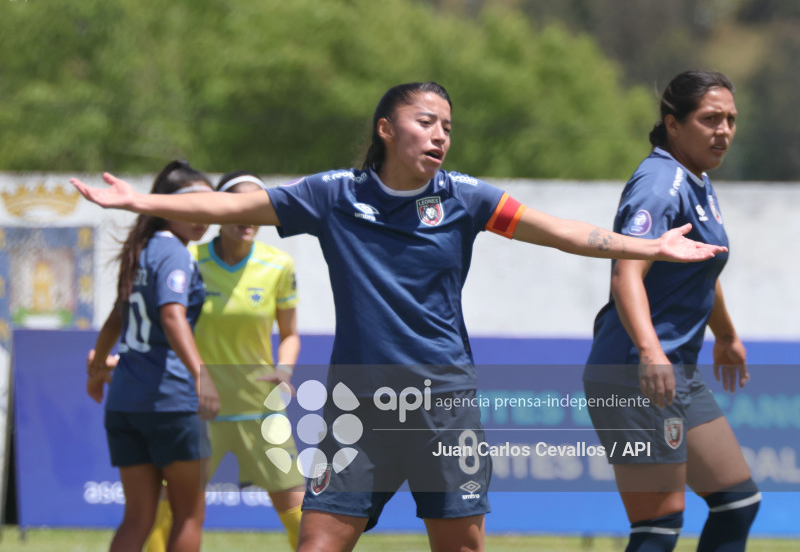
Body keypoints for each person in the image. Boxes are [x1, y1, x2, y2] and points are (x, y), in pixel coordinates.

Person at [72, 81, 727, 552]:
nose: (440, 133)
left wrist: (650, 246)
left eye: (447, 125)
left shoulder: (466, 199)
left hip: (444, 402)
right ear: (386, 128)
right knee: (318, 541)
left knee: (461, 545)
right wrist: (143, 203)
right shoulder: (334, 196)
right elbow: (240, 210)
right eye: (425, 120)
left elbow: (561, 231)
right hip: (360, 408)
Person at [583, 70, 760, 551]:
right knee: (659, 526)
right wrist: (649, 352)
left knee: (738, 500)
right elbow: (626, 273)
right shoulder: (660, 182)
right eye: (709, 119)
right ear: (673, 125)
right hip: (636, 371)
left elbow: (704, 268)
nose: (723, 130)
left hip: (675, 369)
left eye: (730, 119)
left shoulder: (696, 180)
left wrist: (725, 336)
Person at [144, 171, 305, 552]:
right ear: (216, 210)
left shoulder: (278, 265)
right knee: (166, 520)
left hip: (262, 410)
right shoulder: (187, 258)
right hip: (199, 408)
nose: (246, 217)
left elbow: (291, 334)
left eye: (256, 208)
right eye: (236, 206)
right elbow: (161, 323)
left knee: (302, 519)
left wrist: (284, 369)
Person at [85, 160, 220, 552]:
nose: (201, 215)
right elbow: (171, 315)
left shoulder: (139, 251)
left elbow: (115, 318)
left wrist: (96, 369)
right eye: (190, 205)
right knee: (189, 515)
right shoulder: (175, 253)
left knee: (137, 518)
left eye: (207, 205)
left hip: (125, 402)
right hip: (171, 401)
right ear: (165, 207)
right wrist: (203, 376)